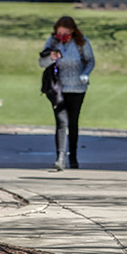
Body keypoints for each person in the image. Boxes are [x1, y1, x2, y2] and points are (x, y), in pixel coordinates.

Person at [38, 16, 95, 171]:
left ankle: (73, 157)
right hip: (58, 89)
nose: (62, 35)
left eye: (65, 32)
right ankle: (60, 158)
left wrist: (85, 74)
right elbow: (41, 62)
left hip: (77, 88)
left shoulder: (81, 42)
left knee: (73, 123)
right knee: (61, 123)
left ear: (72, 31)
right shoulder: (52, 41)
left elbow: (90, 61)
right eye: (59, 32)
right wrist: (50, 58)